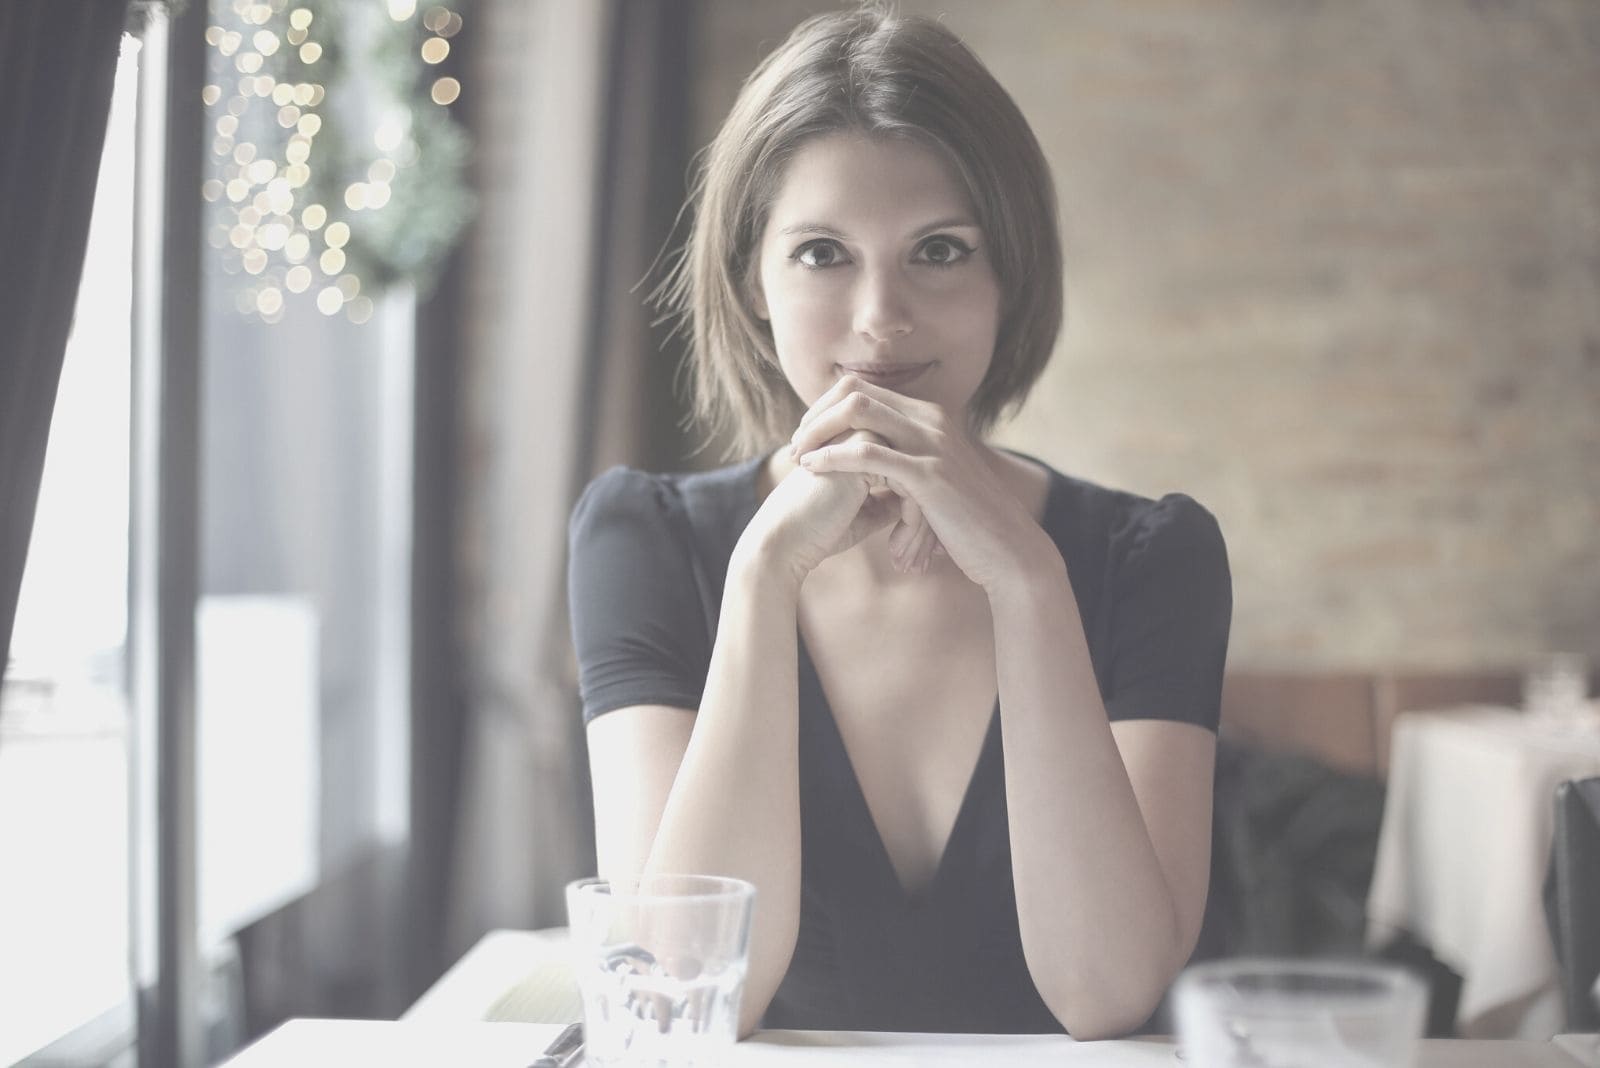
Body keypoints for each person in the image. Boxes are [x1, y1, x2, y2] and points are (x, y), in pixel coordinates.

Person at [567, 2, 1231, 1039]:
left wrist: (1026, 581)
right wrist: (762, 577)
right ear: (751, 279)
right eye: (822, 253)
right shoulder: (642, 544)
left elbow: (1105, 994)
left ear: (1007, 271)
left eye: (940, 249)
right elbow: (676, 1001)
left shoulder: (1151, 559)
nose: (880, 317)